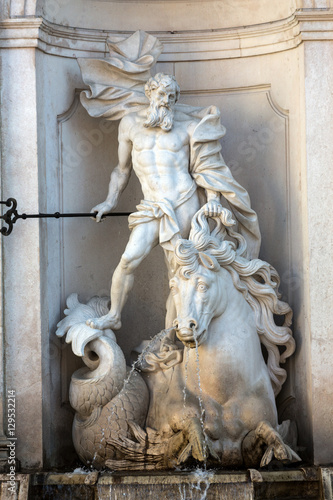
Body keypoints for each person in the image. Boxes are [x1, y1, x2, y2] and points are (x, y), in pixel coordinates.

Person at [86, 73, 260, 331]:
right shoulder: (130, 124)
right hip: (152, 207)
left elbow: (207, 168)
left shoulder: (189, 127)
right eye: (161, 95)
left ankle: (173, 336)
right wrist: (109, 202)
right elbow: (121, 170)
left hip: (183, 203)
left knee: (179, 274)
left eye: (171, 96)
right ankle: (114, 315)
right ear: (150, 94)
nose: (166, 101)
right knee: (128, 259)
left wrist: (212, 200)